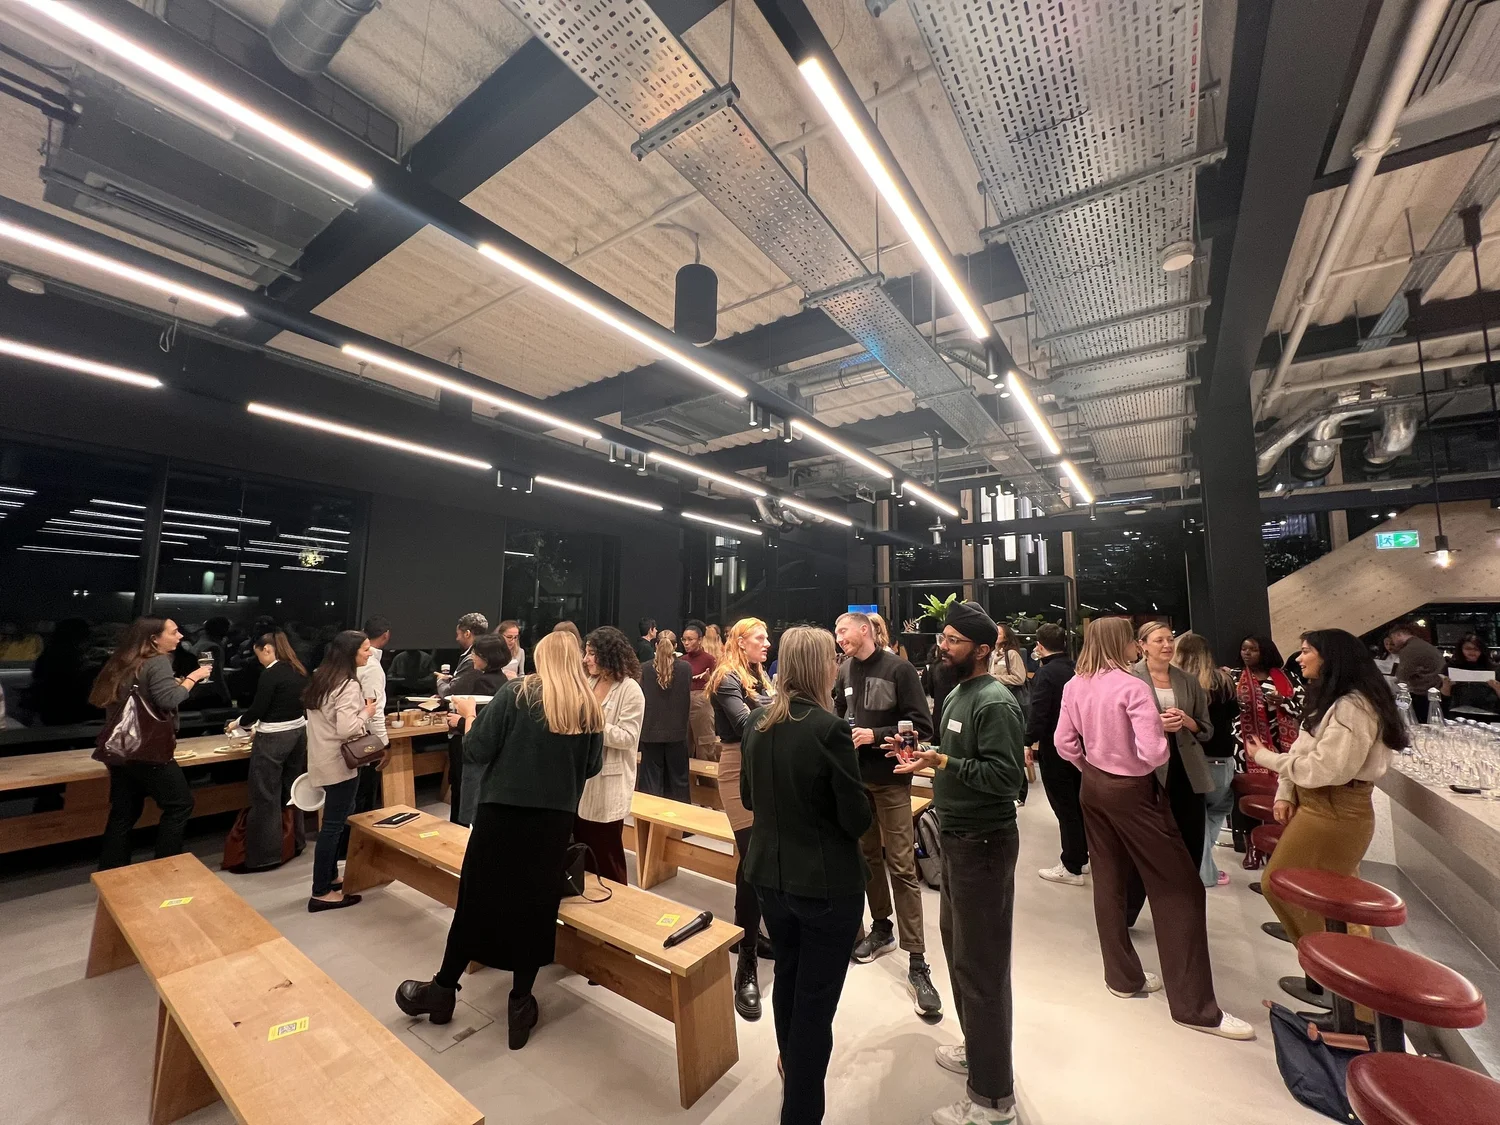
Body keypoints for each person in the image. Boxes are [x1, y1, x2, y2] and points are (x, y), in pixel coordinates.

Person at [396, 633, 604, 1048]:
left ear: (541, 658)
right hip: (553, 822)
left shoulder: (517, 694)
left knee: (476, 900)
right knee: (535, 908)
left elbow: (475, 750)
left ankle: (442, 990)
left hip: (500, 815)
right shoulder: (587, 707)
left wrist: (470, 717)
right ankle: (520, 1003)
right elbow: (593, 766)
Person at [1055, 617, 1252, 1042]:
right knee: (1180, 887)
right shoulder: (1131, 688)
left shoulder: (1076, 685)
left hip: (1093, 787)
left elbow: (1064, 744)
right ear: (1119, 643)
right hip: (1133, 788)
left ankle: (1122, 978)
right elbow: (1154, 749)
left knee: (1109, 881)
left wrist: (1089, 767)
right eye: (1132, 638)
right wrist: (1139, 768)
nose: (1136, 644)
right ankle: (1196, 1008)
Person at [887, 601, 1024, 1125]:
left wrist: (943, 761)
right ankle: (978, 1049)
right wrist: (928, 755)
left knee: (983, 966)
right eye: (942, 639)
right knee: (960, 951)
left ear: (983, 649)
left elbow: (1006, 780)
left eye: (952, 641)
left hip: (985, 844)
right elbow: (957, 755)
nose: (942, 648)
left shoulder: (995, 702)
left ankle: (993, 1099)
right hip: (959, 840)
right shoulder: (958, 695)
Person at [741, 626, 872, 1125]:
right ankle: (800, 1111)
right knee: (816, 1003)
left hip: (769, 879)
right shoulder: (829, 730)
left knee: (791, 978)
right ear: (821, 667)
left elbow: (752, 800)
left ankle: (789, 1064)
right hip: (825, 885)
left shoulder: (756, 723)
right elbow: (855, 818)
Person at [1248, 630, 1401, 955]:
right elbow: (1303, 749)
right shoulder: (1331, 699)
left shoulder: (1353, 707)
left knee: (1283, 886)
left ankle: (1347, 983)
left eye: (1306, 651)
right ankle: (1340, 985)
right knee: (1329, 901)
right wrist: (1286, 792)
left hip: (1337, 810)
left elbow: (1325, 770)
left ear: (1331, 657)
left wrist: (1263, 757)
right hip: (1319, 806)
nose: (1300, 658)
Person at [832, 611, 941, 1018]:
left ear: (865, 630)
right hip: (855, 781)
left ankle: (917, 961)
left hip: (892, 781)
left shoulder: (899, 669)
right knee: (866, 859)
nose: (838, 636)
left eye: (843, 629)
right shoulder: (843, 671)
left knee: (901, 864)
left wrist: (875, 736)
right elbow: (841, 716)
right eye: (836, 632)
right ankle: (882, 929)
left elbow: (922, 727)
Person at [91, 618, 212, 869]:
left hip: (121, 749)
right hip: (149, 748)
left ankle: (112, 871)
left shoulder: (123, 661)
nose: (180, 636)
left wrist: (173, 685)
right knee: (180, 805)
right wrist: (193, 678)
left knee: (124, 812)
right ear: (154, 639)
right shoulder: (158, 661)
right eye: (174, 632)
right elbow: (168, 701)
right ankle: (165, 868)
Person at [706, 616, 776, 1021]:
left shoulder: (759, 676)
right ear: (740, 642)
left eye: (767, 638)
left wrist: (770, 704)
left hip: (766, 765)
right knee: (751, 859)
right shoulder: (725, 677)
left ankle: (749, 933)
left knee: (762, 856)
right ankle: (746, 959)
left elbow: (765, 713)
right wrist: (777, 708)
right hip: (737, 767)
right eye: (760, 638)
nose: (767, 644)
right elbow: (746, 723)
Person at [1130, 622, 1216, 907]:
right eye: (1159, 640)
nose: (1167, 645)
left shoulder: (1187, 680)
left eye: (1170, 640)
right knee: (1146, 842)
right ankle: (1132, 905)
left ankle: (1185, 904)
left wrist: (1189, 722)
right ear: (1142, 645)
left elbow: (1207, 728)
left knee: (1190, 837)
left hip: (1186, 769)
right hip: (1148, 769)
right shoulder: (1130, 678)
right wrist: (1155, 724)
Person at [303, 630, 378, 912]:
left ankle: (331, 877)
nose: (369, 653)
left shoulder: (321, 677)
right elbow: (347, 728)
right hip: (340, 762)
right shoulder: (347, 685)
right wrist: (367, 714)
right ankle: (320, 891)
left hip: (322, 758)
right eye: (366, 649)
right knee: (333, 827)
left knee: (331, 825)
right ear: (351, 653)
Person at [225, 630, 308, 871]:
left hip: (273, 737)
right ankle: (295, 842)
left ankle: (265, 857)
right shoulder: (298, 669)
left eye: (258, 654)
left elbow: (259, 709)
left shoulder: (271, 674)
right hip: (298, 733)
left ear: (267, 649)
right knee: (291, 790)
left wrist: (239, 723)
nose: (259, 659)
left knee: (265, 795)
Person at [575, 627, 644, 884]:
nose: (586, 659)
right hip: (583, 781)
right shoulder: (589, 682)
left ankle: (616, 910)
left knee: (607, 858)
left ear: (608, 655)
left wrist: (593, 721)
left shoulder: (630, 690)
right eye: (586, 652)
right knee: (584, 855)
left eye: (592, 653)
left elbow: (628, 738)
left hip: (609, 783)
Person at [1172, 634, 1239, 887]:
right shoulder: (1223, 681)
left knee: (1193, 815)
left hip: (1189, 757)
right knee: (1221, 806)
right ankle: (1204, 868)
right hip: (1221, 757)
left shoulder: (1178, 684)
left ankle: (1200, 866)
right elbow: (1233, 714)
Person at [1027, 623, 1084, 885]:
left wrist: (1027, 742)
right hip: (1081, 747)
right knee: (1079, 803)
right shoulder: (1078, 670)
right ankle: (1081, 857)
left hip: (1055, 746)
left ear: (1039, 646)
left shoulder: (1046, 675)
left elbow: (1039, 713)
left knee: (1064, 806)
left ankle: (1071, 864)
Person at [445, 634, 507, 825]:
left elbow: (484, 724)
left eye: (476, 654)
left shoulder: (485, 682)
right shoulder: (502, 679)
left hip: (472, 746)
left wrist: (460, 721)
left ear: (486, 657)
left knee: (465, 794)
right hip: (486, 751)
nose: (472, 657)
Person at [638, 631, 693, 801]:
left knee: (651, 783)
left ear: (655, 645)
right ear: (676, 646)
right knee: (679, 782)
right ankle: (684, 826)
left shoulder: (645, 669)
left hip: (650, 732)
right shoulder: (685, 668)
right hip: (677, 733)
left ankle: (650, 825)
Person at [1387, 623, 1443, 722]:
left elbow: (1402, 675)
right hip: (1436, 691)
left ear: (1399, 635)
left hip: (1424, 695)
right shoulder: (1421, 644)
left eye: (1393, 639)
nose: (1393, 643)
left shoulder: (1409, 649)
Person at [681, 620, 718, 758]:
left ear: (700, 640)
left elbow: (718, 687)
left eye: (690, 639)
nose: (686, 643)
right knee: (684, 747)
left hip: (702, 704)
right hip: (684, 705)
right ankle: (687, 780)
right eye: (684, 639)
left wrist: (709, 679)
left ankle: (708, 779)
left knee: (705, 746)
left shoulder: (710, 659)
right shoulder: (682, 661)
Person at [1442, 633, 1500, 718]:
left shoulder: (1493, 668)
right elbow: (1444, 697)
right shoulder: (1451, 666)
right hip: (1457, 714)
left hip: (1489, 714)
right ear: (1461, 649)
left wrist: (1497, 688)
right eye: (1468, 649)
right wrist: (1446, 686)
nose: (1472, 652)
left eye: (1476, 649)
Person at [437, 612, 488, 697]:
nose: (457, 639)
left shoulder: (473, 659)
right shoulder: (485, 653)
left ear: (467, 634)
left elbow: (450, 693)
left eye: (458, 634)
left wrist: (440, 680)